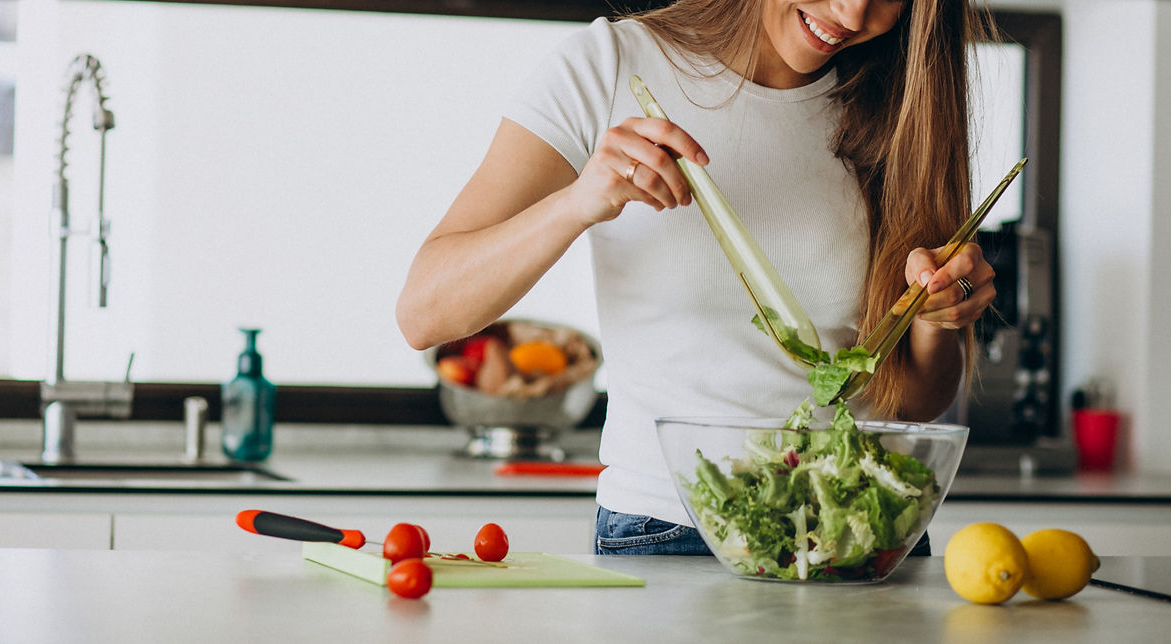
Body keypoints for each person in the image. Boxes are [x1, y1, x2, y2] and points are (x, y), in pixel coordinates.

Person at [397, 0, 998, 556]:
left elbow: (914, 402)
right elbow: (427, 313)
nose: (852, 12)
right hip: (671, 529)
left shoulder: (904, 102)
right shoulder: (610, 66)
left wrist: (934, 319)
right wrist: (580, 201)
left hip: (862, 528)